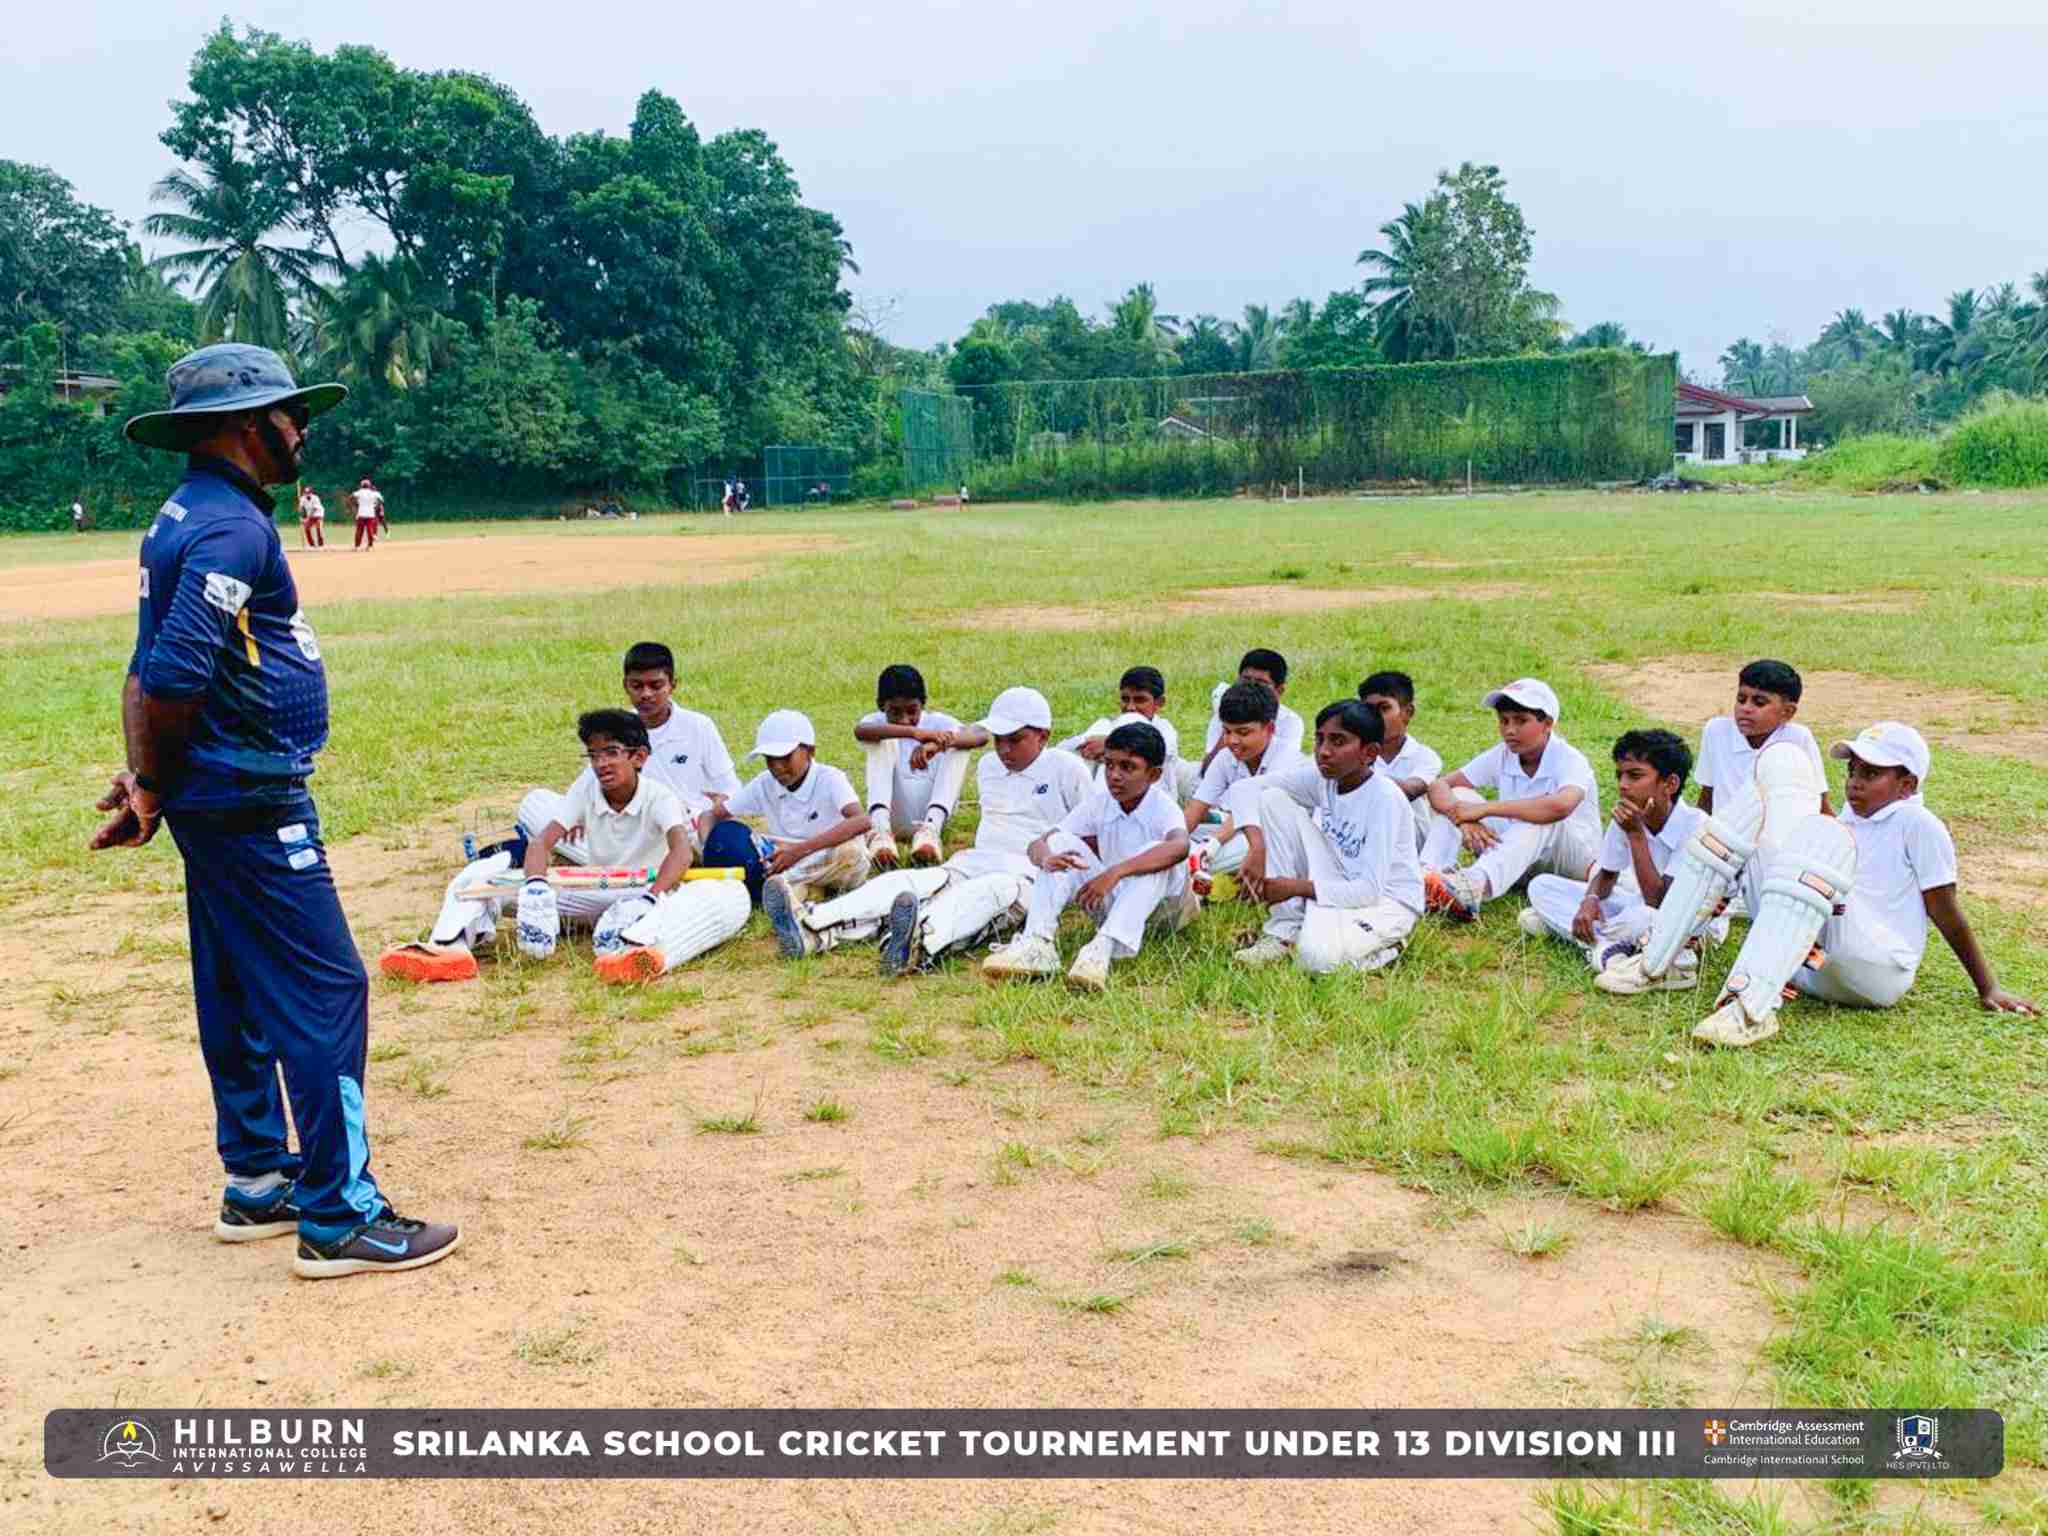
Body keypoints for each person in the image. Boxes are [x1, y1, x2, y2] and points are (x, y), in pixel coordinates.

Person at [97, 341, 456, 1279]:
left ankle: (260, 1179)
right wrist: (159, 781)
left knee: (238, 982)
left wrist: (151, 783)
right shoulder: (232, 530)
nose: (302, 429)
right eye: (291, 415)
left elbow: (144, 670)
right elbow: (173, 671)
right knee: (327, 988)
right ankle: (340, 1216)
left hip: (214, 800)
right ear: (247, 426)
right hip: (252, 801)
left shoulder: (182, 515)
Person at [1681, 723, 2036, 1047]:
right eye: (1852, 771)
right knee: (1764, 843)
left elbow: (1945, 910)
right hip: (1818, 972)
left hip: (1875, 972)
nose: (1855, 782)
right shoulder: (1846, 821)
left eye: (1871, 773)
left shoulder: (1917, 823)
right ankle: (1681, 955)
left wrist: (1987, 986)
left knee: (1807, 861)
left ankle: (1753, 1011)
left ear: (1907, 785)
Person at [380, 710, 749, 986]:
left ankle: (637, 951)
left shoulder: (659, 796)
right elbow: (541, 842)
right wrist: (537, 885)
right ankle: (448, 948)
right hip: (592, 888)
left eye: (611, 753)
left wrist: (650, 898)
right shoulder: (586, 788)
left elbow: (681, 853)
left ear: (638, 757)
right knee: (478, 874)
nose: (601, 763)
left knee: (731, 897)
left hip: (644, 891)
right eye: (594, 755)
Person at [772, 687, 1093, 974]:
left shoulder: (1067, 769)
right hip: (974, 861)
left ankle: (919, 941)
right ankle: (815, 927)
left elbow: (1090, 832)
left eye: (1015, 740)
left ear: (1044, 736)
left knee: (982, 896)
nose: (1004, 749)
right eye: (999, 740)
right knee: (908, 881)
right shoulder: (989, 767)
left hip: (1029, 876)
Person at [983, 720, 1196, 991]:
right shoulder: (1101, 802)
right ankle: (1038, 943)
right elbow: (1039, 843)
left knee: (1154, 855)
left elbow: (1180, 847)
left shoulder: (1163, 807)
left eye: (1127, 767)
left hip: (1163, 913)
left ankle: (1102, 949)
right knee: (1061, 842)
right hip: (1114, 902)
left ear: (1153, 775)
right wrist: (1046, 858)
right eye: (1109, 764)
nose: (1114, 775)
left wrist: (1116, 871)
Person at [1233, 699, 1426, 973]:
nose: (1323, 752)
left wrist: (1295, 887)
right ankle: (1284, 931)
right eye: (1320, 739)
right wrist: (1256, 847)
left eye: (1338, 741)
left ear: (1369, 752)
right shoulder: (1323, 779)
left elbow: (1369, 890)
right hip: (1337, 878)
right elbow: (1243, 790)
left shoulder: (1385, 798)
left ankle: (1391, 946)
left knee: (1315, 961)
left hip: (1386, 900)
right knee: (1273, 799)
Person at [1520, 729, 1705, 982]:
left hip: (1683, 919)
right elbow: (1607, 873)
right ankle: (1607, 947)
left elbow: (1659, 902)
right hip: (1638, 902)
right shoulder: (1628, 815)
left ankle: (1578, 934)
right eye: (1620, 775)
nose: (1623, 785)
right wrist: (1591, 899)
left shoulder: (1695, 826)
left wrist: (1636, 835)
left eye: (1635, 775)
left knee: (1641, 918)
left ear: (1670, 784)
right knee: (1542, 886)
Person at [1420, 677, 1603, 921]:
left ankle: (1471, 888)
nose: (1510, 730)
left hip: (1572, 863)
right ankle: (1428, 876)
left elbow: (1560, 806)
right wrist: (1462, 816)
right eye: (1504, 721)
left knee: (1540, 815)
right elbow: (1439, 785)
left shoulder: (1569, 759)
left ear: (1547, 723)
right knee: (1461, 795)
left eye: (1521, 720)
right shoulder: (1503, 754)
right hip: (1520, 857)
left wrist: (1484, 810)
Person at [714, 710, 873, 924]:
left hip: (826, 853)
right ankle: (806, 890)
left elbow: (862, 821)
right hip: (784, 856)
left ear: (810, 751)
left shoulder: (831, 778)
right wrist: (710, 844)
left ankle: (781, 885)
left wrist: (799, 851)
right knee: (741, 838)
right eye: (770, 759)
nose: (777, 767)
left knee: (852, 853)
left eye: (785, 757)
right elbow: (715, 814)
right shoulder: (764, 783)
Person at [854, 664, 985, 869]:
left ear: (923, 704)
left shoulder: (937, 722)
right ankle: (879, 831)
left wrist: (937, 745)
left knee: (957, 744)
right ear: (881, 706)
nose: (905, 720)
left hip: (930, 815)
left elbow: (979, 735)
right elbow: (861, 731)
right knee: (882, 739)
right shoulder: (875, 722)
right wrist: (915, 733)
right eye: (895, 712)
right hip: (892, 816)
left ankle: (930, 832)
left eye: (912, 711)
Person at [1184, 679, 1304, 884]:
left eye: (1243, 732)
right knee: (1177, 840)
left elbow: (1249, 813)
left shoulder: (1287, 758)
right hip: (1234, 830)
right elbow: (1195, 811)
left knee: (1235, 848)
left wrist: (1212, 845)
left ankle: (1192, 870)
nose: (1232, 741)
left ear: (1270, 728)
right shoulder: (1225, 757)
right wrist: (1169, 842)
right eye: (1227, 731)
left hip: (1273, 838)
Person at [1696, 659, 1831, 819]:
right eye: (1741, 699)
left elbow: (1820, 804)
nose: (1745, 708)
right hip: (1724, 839)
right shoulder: (1717, 732)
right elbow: (1707, 797)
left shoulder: (1798, 739)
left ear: (1787, 712)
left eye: (1759, 703)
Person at [1058, 665, 1185, 800]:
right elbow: (1062, 751)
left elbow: (1154, 749)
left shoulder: (1164, 730)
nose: (1130, 707)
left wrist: (1107, 745)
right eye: (1125, 699)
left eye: (1139, 700)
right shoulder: (1106, 726)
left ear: (1159, 702)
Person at [1359, 670, 1442, 851]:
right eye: (1368, 710)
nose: (1375, 718)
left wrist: (1352, 772)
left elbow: (1411, 789)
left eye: (1384, 708)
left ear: (1407, 712)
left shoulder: (1424, 756)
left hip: (1411, 845)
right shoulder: (1353, 752)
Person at [1197, 648, 1304, 784]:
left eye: (1261, 683)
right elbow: (1206, 771)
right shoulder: (1225, 714)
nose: (1251, 688)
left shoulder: (1290, 723)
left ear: (1279, 690)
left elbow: (1278, 779)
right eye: (1245, 680)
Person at [350, 477, 382, 550]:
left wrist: (355, 505)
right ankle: (370, 546)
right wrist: (376, 506)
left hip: (361, 514)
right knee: (370, 530)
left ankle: (357, 546)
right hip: (370, 514)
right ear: (369, 485)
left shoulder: (359, 492)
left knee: (359, 530)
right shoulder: (374, 493)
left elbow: (351, 497)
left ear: (362, 485)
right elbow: (381, 500)